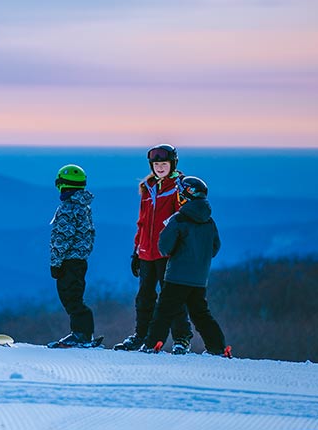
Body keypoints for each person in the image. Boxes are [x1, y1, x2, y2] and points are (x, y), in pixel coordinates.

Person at [114, 144, 195, 354]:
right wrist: (136, 250)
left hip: (167, 252)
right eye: (156, 164)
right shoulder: (148, 187)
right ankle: (142, 335)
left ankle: (181, 338)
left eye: (164, 164)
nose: (160, 168)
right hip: (146, 252)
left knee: (171, 297)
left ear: (172, 164)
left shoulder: (178, 188)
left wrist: (180, 250)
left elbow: (183, 222)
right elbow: (141, 223)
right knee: (144, 297)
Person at [142, 176, 231, 358]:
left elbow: (165, 246)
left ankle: (153, 344)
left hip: (177, 276)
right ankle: (218, 347)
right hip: (199, 278)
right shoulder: (209, 221)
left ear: (184, 196)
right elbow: (215, 247)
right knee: (200, 313)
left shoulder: (179, 219)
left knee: (164, 311)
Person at [48, 164, 101, 348]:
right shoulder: (83, 207)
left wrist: (56, 263)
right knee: (75, 295)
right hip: (80, 260)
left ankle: (81, 334)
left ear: (62, 185)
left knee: (70, 297)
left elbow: (62, 238)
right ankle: (83, 333)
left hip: (68, 261)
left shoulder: (67, 208)